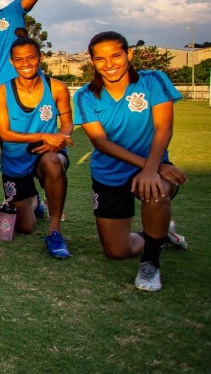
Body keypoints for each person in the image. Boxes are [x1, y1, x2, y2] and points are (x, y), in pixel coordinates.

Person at [74, 31, 188, 291]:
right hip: (110, 174)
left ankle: (151, 264)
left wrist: (152, 169)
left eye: (116, 55)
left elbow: (163, 128)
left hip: (153, 168)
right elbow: (101, 142)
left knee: (154, 191)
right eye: (100, 59)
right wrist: (152, 166)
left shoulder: (153, 80)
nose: (109, 64)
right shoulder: (85, 95)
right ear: (92, 61)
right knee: (117, 251)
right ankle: (158, 234)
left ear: (129, 54)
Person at [0, 37, 72, 258]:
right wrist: (44, 134)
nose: (25, 63)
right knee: (25, 227)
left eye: (31, 57)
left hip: (46, 152)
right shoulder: (2, 91)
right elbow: (5, 133)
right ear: (12, 62)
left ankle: (55, 231)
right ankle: (35, 202)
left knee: (54, 162)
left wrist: (60, 138)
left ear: (40, 57)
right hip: (15, 159)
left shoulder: (57, 87)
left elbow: (67, 122)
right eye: (19, 59)